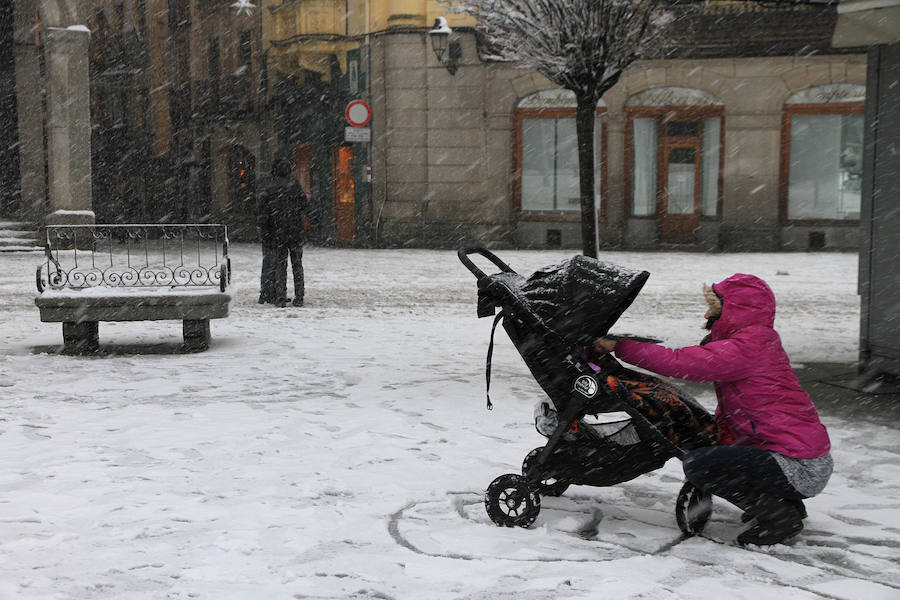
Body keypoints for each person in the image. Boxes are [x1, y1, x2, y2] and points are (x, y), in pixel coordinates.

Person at [593, 273, 832, 546]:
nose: (707, 314)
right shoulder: (757, 342)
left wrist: (622, 347)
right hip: (800, 458)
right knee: (714, 448)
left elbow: (682, 362)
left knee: (701, 465)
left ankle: (780, 517)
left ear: (735, 312)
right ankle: (783, 502)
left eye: (715, 310)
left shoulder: (749, 346)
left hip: (797, 466)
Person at [257, 157, 314, 307]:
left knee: (280, 266)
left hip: (278, 232)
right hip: (295, 231)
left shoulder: (270, 188)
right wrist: (314, 221)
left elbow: (263, 213)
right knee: (297, 265)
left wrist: (266, 230)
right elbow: (306, 207)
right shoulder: (295, 186)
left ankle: (280, 296)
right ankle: (299, 296)